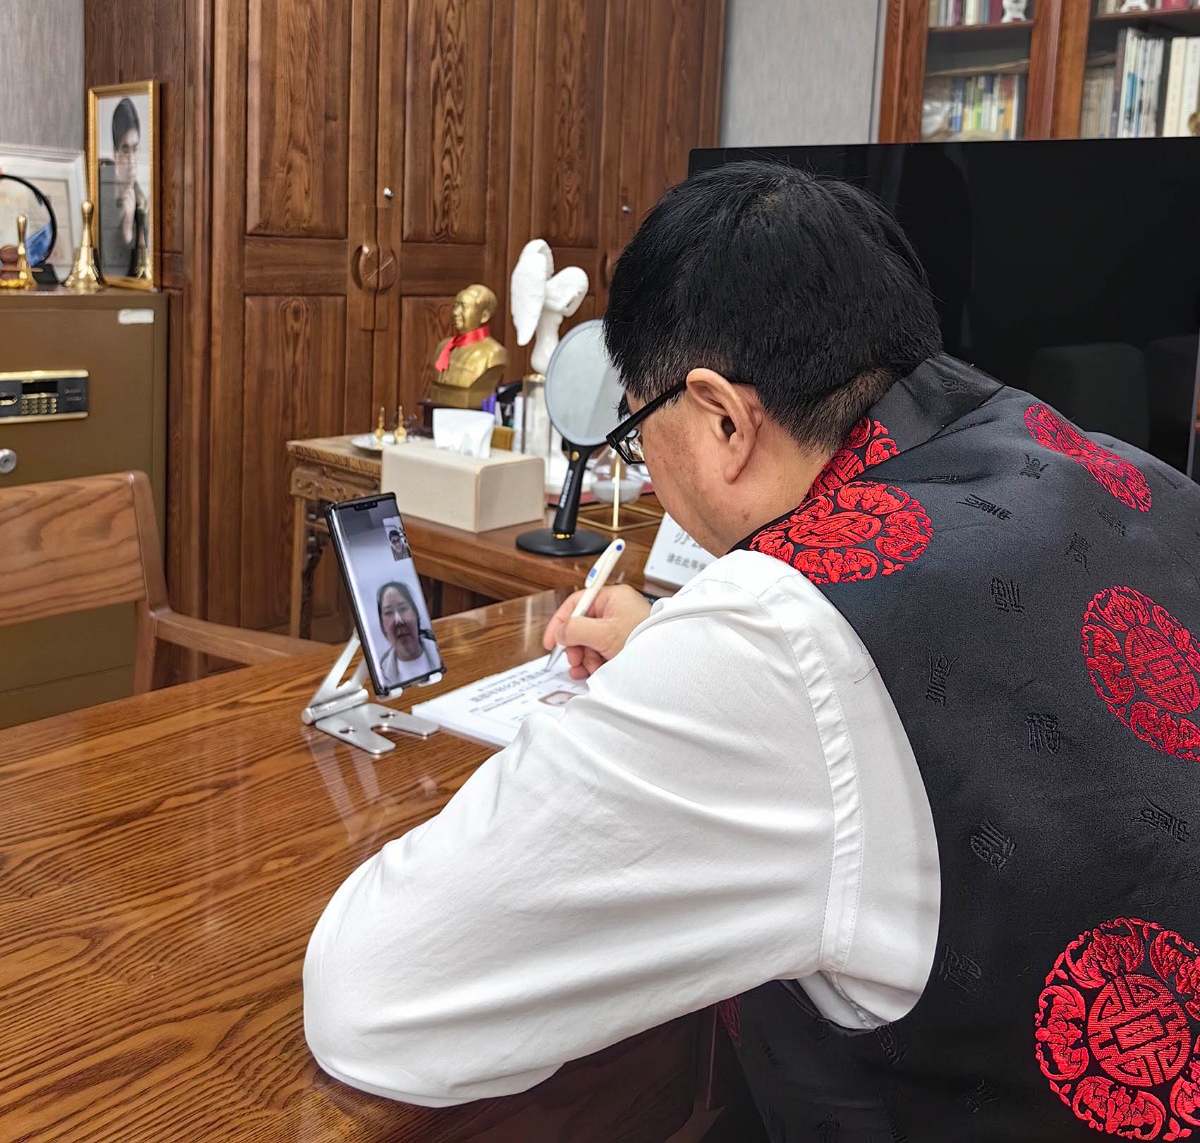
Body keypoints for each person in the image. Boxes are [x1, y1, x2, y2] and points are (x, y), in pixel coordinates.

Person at [305, 160, 1200, 1140]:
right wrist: (678, 651)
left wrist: (693, 670)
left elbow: (375, 1000)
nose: (646, 470)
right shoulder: (1129, 473)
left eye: (638, 432)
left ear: (725, 419)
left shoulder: (780, 633)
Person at [98, 96, 147, 278]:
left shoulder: (142, 202)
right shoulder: (100, 190)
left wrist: (129, 229)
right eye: (125, 150)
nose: (132, 162)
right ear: (115, 152)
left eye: (135, 149)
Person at [374, 580, 437, 691]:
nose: (398, 620)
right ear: (383, 626)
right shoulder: (380, 676)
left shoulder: (441, 653)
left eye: (403, 608)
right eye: (388, 612)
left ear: (416, 614)